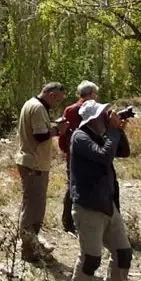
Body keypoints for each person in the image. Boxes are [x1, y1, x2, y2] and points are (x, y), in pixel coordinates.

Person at [67, 100, 133, 281]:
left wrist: (118, 131)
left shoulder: (100, 135)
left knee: (123, 252)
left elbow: (123, 152)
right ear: (93, 119)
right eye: (103, 115)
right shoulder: (80, 137)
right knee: (91, 258)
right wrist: (112, 131)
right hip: (87, 207)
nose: (107, 117)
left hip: (106, 203)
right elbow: (104, 156)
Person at [16, 82, 67, 262]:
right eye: (58, 99)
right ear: (51, 94)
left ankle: (31, 246)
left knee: (32, 206)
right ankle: (29, 250)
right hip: (34, 165)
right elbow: (39, 135)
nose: (57, 104)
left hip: (32, 162)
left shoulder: (32, 104)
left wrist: (52, 126)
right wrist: (57, 130)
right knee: (33, 210)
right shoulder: (37, 108)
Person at [59, 80, 99, 234]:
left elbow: (63, 135)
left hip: (72, 155)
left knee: (72, 186)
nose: (96, 97)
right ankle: (84, 220)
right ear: (90, 94)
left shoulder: (69, 109)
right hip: (91, 155)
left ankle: (68, 222)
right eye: (95, 94)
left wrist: (66, 150)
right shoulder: (95, 110)